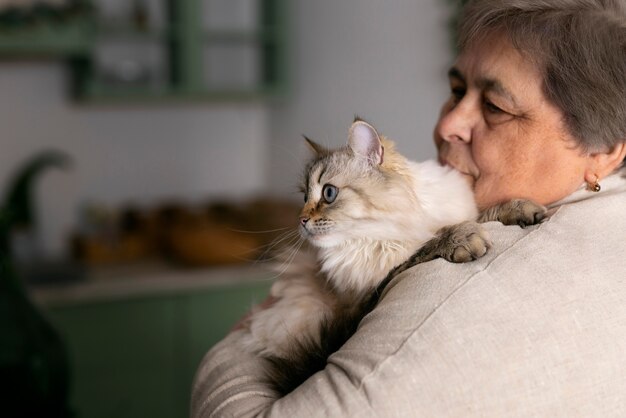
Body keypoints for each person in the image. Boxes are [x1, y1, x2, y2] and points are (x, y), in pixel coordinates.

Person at [191, 0, 626, 416]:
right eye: (456, 90)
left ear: (604, 150)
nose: (446, 123)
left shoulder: (451, 294)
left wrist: (232, 348)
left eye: (495, 107)